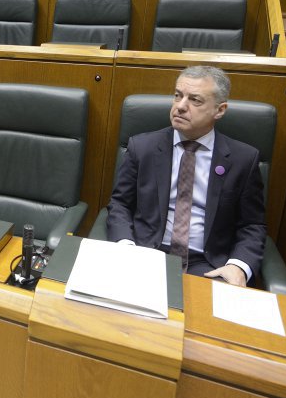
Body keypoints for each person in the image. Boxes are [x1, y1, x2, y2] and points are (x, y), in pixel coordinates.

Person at [106, 65, 266, 287]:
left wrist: (239, 266)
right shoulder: (142, 147)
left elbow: (252, 225)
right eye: (177, 96)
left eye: (195, 100)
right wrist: (125, 245)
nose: (180, 107)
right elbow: (120, 204)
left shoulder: (243, 160)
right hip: (145, 254)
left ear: (220, 110)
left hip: (208, 265)